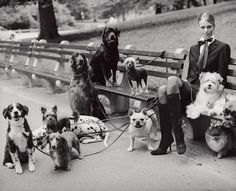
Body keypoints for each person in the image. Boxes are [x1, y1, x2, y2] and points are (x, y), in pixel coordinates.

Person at [151, 12, 231, 155]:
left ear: (214, 26)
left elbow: (222, 78)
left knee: (169, 83)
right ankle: (170, 137)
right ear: (198, 28)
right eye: (202, 27)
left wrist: (213, 99)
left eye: (209, 27)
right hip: (191, 88)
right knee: (163, 89)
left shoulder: (223, 47)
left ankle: (173, 136)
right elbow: (189, 76)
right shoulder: (194, 48)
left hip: (205, 93)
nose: (206, 31)